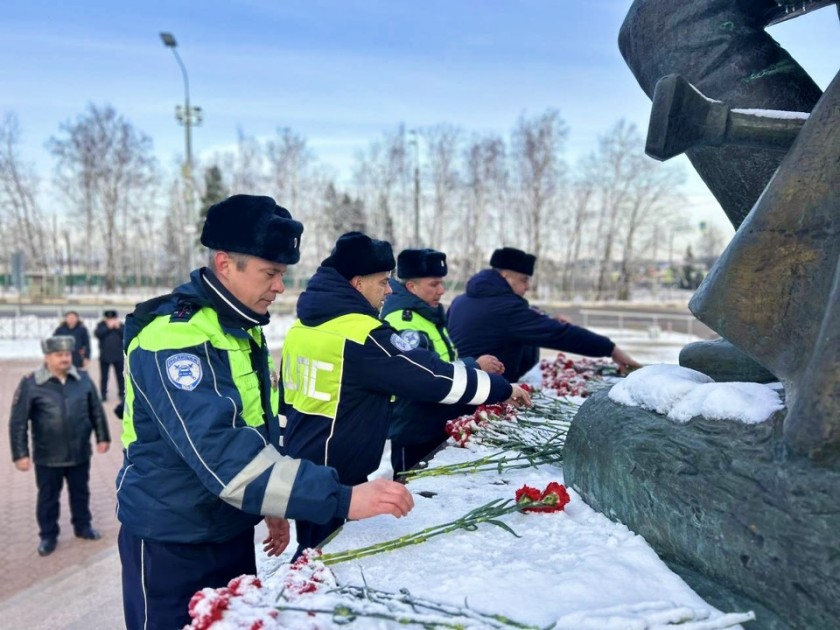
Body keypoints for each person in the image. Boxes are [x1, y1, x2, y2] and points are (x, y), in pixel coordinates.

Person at [116, 195, 414, 630]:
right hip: (173, 542)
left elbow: (255, 428)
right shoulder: (174, 339)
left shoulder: (237, 329)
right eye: (270, 273)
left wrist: (271, 502)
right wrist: (344, 499)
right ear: (224, 264)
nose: (280, 286)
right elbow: (225, 458)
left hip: (227, 528)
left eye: (283, 274)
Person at [281, 232, 530, 557]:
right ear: (357, 283)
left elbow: (285, 401)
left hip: (308, 470)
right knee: (328, 558)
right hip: (338, 476)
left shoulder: (304, 327)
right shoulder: (360, 334)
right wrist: (502, 389)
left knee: (315, 552)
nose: (389, 290)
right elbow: (430, 377)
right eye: (383, 282)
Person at [381, 248, 506, 475]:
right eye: (434, 284)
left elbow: (447, 362)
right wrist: (476, 366)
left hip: (436, 421)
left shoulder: (428, 315)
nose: (442, 290)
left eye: (442, 283)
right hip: (414, 429)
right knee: (414, 495)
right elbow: (424, 376)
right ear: (411, 287)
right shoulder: (403, 321)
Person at [448, 247, 641, 383]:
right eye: (524, 280)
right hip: (484, 394)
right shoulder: (505, 308)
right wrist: (611, 349)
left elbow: (518, 323)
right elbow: (559, 334)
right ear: (505, 276)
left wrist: (545, 319)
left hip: (466, 383)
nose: (528, 287)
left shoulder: (463, 300)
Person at [9, 335, 110, 557]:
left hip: (80, 452)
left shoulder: (83, 379)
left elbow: (96, 411)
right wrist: (20, 454)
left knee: (80, 493)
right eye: (59, 355)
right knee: (48, 497)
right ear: (47, 357)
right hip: (48, 455)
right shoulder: (31, 383)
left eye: (67, 354)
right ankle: (48, 535)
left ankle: (83, 527)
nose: (65, 359)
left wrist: (103, 437)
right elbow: (18, 422)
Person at [94, 309, 124, 400]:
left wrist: (118, 328)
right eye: (108, 318)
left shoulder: (120, 325)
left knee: (120, 376)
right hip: (105, 355)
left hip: (118, 355)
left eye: (112, 318)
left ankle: (121, 394)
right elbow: (98, 334)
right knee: (104, 377)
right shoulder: (101, 325)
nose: (110, 320)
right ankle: (103, 394)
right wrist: (108, 327)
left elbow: (125, 334)